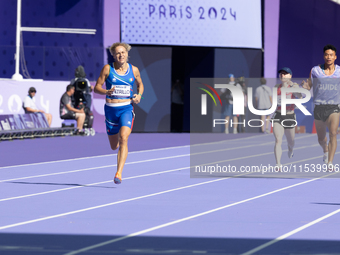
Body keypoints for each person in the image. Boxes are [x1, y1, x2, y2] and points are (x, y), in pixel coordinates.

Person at [94, 42, 144, 184]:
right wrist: (105, 91)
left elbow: (140, 85)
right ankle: (117, 153)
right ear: (113, 55)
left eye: (123, 52)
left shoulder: (134, 70)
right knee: (114, 145)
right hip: (111, 110)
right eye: (117, 53)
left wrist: (139, 95)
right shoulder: (107, 69)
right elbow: (96, 88)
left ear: (127, 53)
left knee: (124, 138)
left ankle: (119, 173)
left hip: (126, 109)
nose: (120, 55)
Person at [302, 44, 340, 170]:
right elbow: (309, 86)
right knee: (321, 138)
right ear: (324, 56)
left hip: (334, 106)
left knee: (333, 133)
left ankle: (330, 162)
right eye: (326, 55)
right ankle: (325, 149)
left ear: (335, 57)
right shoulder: (315, 71)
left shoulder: (339, 71)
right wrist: (305, 86)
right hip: (319, 107)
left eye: (331, 55)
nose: (328, 57)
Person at [272, 67, 301, 168]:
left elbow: (300, 97)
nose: (282, 75)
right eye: (281, 74)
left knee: (291, 141)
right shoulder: (276, 87)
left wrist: (295, 90)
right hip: (278, 115)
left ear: (290, 76)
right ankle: (278, 164)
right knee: (278, 139)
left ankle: (290, 149)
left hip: (289, 116)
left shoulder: (294, 86)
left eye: (285, 74)